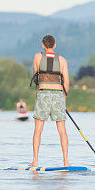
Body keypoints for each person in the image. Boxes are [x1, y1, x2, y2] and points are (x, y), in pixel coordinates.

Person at [29, 35, 70, 167]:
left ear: (43, 45)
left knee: (38, 129)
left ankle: (35, 161)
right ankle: (66, 162)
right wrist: (64, 98)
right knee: (62, 130)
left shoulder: (37, 57)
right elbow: (67, 82)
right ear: (55, 45)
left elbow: (35, 74)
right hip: (58, 94)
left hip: (44, 94)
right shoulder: (62, 60)